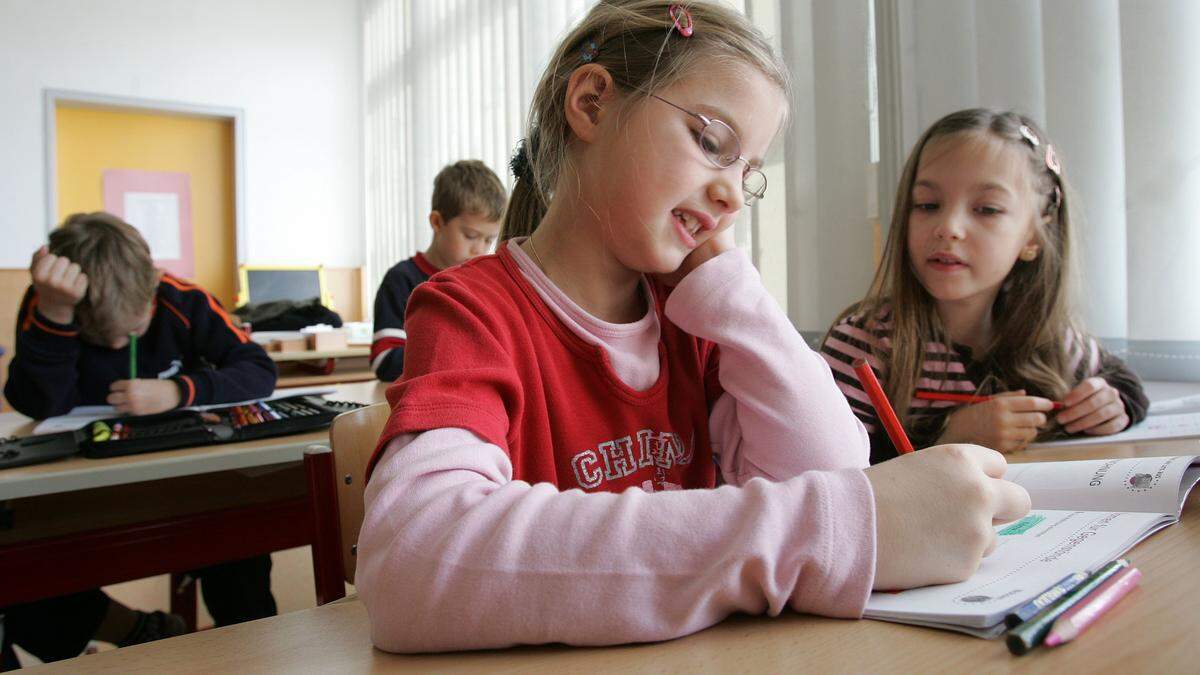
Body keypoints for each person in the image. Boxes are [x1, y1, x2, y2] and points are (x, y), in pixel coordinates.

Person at [356, 0, 1030, 653]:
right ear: (591, 103)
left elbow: (832, 469)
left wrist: (738, 295)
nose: (734, 192)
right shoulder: (471, 310)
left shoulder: (700, 325)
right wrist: (823, 527)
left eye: (749, 172)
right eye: (712, 142)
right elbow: (413, 559)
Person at [2, 212, 279, 667]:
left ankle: (252, 654)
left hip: (186, 486)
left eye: (134, 329)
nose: (117, 345)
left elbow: (257, 370)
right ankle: (129, 630)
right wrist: (55, 315)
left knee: (239, 547)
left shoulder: (181, 299)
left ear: (153, 285)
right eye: (100, 336)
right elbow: (38, 402)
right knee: (24, 570)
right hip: (76, 490)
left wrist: (179, 390)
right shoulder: (48, 300)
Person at [820, 109, 1148, 463]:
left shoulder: (1050, 339)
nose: (949, 227)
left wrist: (1114, 402)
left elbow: (1123, 383)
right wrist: (950, 437)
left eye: (987, 209)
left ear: (1034, 237)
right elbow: (831, 467)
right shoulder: (865, 341)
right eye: (927, 205)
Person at [370, 160, 506, 381]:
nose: (480, 249)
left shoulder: (483, 285)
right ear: (437, 222)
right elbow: (383, 361)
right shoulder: (401, 280)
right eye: (470, 236)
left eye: (489, 239)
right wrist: (457, 349)